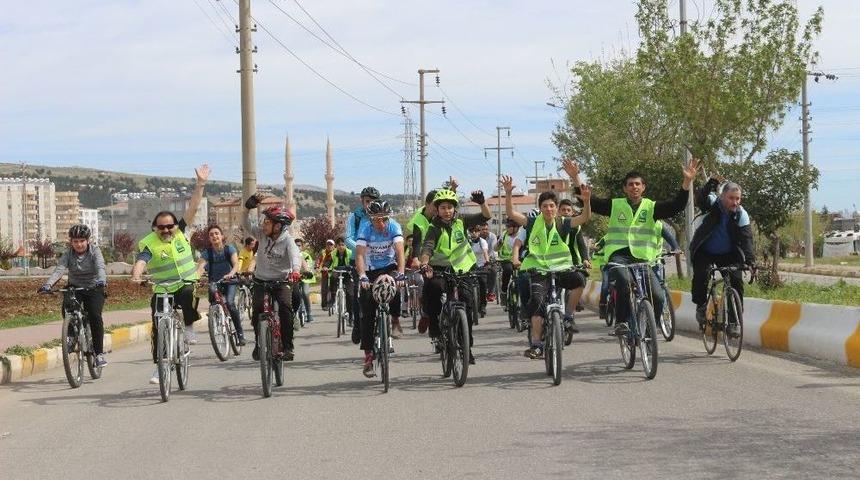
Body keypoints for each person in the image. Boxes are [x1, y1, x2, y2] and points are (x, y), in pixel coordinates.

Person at [563, 158, 699, 335]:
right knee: (624, 281)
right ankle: (622, 322)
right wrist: (575, 177)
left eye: (637, 184)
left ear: (643, 187)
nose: (634, 187)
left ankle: (649, 331)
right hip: (619, 257)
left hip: (643, 259)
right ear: (625, 189)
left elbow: (676, 206)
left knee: (658, 296)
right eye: (630, 184)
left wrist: (687, 182)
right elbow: (589, 200)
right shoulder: (615, 205)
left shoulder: (652, 207)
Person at [131, 164, 209, 384]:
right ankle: (160, 366)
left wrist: (200, 184)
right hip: (162, 288)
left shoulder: (182, 232)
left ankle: (189, 326)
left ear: (176, 226)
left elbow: (193, 208)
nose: (166, 230)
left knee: (187, 293)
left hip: (185, 281)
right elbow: (141, 261)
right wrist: (136, 276)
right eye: (161, 227)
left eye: (169, 226)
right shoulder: (148, 243)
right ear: (154, 228)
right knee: (158, 325)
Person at [501, 174, 592, 359]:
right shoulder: (533, 222)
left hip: (561, 269)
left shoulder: (564, 222)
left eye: (552, 206)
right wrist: (508, 193)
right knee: (536, 303)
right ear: (540, 208)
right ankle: (536, 344)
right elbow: (511, 214)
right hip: (539, 271)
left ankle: (567, 317)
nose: (549, 209)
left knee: (580, 280)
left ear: (557, 208)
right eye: (545, 206)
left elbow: (584, 217)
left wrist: (587, 201)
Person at [418, 188, 492, 364]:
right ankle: (435, 327)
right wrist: (425, 263)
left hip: (463, 267)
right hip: (439, 268)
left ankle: (467, 348)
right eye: (443, 207)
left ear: (454, 209)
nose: (447, 211)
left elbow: (486, 216)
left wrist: (481, 202)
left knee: (466, 306)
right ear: (437, 209)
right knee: (433, 288)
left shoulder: (462, 221)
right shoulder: (433, 227)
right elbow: (427, 247)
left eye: (450, 207)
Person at [241, 194, 302, 361]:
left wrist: (296, 270)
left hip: (281, 282)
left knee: (285, 308)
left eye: (267, 222)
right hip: (261, 280)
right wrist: (248, 208)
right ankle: (259, 343)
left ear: (278, 226)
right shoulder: (261, 235)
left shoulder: (288, 241)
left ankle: (288, 346)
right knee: (257, 311)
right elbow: (246, 224)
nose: (263, 224)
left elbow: (295, 256)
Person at [690, 177, 755, 331]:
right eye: (731, 198)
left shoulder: (741, 214)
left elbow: (747, 240)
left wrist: (751, 262)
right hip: (704, 250)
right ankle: (701, 305)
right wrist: (711, 184)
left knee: (736, 282)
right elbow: (701, 199)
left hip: (728, 253)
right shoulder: (713, 204)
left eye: (738, 198)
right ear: (722, 196)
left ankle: (734, 322)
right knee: (702, 275)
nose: (735, 202)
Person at [39, 224, 108, 367]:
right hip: (75, 286)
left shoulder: (95, 251)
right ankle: (71, 335)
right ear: (71, 242)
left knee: (95, 316)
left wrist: (102, 281)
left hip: (94, 287)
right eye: (75, 241)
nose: (79, 244)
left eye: (82, 241)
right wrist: (48, 284)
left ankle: (99, 353)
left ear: (87, 241)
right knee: (67, 307)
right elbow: (59, 270)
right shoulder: (68, 254)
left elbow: (100, 267)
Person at [355, 200, 406, 377]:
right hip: (370, 270)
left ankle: (395, 319)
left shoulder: (394, 227)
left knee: (396, 286)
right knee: (367, 313)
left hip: (389, 266)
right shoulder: (364, 229)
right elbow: (360, 255)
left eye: (384, 219)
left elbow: (400, 252)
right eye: (377, 219)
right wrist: (362, 276)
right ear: (370, 219)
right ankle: (368, 356)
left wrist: (400, 273)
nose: (381, 223)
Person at [196, 225, 245, 346]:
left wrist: (231, 274)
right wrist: (195, 279)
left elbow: (235, 265)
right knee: (213, 303)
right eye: (211, 235)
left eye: (216, 233)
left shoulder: (230, 249)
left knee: (230, 302)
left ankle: (240, 334)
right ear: (209, 238)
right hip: (215, 282)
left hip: (230, 281)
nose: (214, 236)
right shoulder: (206, 253)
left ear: (222, 236)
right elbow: (200, 268)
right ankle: (217, 318)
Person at [346, 186, 380, 344]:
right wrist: (361, 248)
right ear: (362, 201)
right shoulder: (356, 216)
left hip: (378, 259)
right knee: (358, 294)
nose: (370, 204)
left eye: (373, 201)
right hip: (358, 260)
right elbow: (348, 238)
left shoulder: (381, 214)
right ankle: (358, 324)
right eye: (367, 201)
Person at [558, 198, 591, 332]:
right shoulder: (553, 225)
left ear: (572, 213)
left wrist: (585, 259)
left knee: (581, 279)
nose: (566, 212)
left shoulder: (576, 226)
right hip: (554, 265)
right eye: (563, 210)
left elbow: (582, 245)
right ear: (558, 212)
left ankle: (569, 315)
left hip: (573, 263)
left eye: (568, 210)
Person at [329, 236, 354, 323]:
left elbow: (354, 262)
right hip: (337, 271)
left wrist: (352, 267)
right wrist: (325, 266)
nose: (341, 247)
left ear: (346, 245)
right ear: (336, 246)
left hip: (348, 274)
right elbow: (328, 261)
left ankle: (350, 315)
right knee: (332, 277)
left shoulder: (350, 253)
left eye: (343, 245)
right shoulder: (333, 253)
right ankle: (332, 298)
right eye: (339, 245)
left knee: (350, 294)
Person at [495, 218, 520, 306]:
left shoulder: (521, 235)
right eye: (507, 226)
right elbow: (495, 248)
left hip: (518, 260)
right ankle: (504, 292)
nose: (507, 228)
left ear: (516, 228)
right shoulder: (504, 235)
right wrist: (499, 244)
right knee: (508, 270)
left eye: (509, 227)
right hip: (506, 260)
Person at [469, 224, 490, 318]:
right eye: (472, 231)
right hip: (470, 266)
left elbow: (485, 252)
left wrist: (487, 262)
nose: (474, 233)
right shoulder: (467, 242)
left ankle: (483, 306)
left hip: (481, 266)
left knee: (483, 283)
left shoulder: (482, 242)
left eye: (476, 231)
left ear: (479, 232)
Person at [294, 237, 316, 325]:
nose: (297, 247)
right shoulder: (290, 254)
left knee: (305, 293)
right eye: (295, 245)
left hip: (304, 278)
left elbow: (308, 266)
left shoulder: (306, 255)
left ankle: (309, 313)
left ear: (302, 247)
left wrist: (306, 273)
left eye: (299, 245)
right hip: (294, 278)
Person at [479, 223, 499, 302]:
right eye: (482, 229)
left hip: (489, 258)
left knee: (493, 271)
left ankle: (491, 292)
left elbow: (493, 248)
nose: (484, 231)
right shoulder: (476, 236)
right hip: (477, 260)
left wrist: (490, 259)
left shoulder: (492, 236)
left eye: (486, 229)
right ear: (479, 230)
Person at [317, 239, 335, 310]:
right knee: (324, 288)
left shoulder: (336, 252)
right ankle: (324, 305)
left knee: (333, 288)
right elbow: (318, 260)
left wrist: (332, 268)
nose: (329, 246)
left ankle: (333, 301)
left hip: (333, 271)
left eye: (331, 244)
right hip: (324, 272)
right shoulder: (323, 252)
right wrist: (317, 266)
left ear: (334, 246)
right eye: (328, 244)